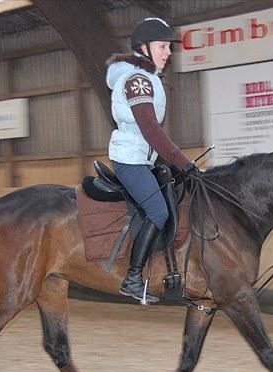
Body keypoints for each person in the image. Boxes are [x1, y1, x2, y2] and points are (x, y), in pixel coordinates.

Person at [106, 17, 197, 303]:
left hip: (143, 159)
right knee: (158, 212)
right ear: (142, 48)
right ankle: (132, 278)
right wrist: (184, 163)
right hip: (129, 160)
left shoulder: (149, 78)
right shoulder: (137, 81)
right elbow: (151, 130)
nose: (168, 52)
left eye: (169, 46)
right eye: (162, 46)